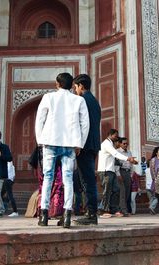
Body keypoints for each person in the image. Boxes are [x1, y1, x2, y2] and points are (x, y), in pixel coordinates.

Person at [35, 72, 90, 228]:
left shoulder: (48, 97)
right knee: (67, 179)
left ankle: (44, 214)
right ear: (72, 84)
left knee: (48, 178)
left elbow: (40, 119)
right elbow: (85, 124)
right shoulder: (78, 100)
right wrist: (80, 144)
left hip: (50, 142)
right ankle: (67, 214)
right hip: (69, 143)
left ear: (57, 84)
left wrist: (40, 140)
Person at [72, 74, 102, 225]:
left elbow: (82, 124)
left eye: (75, 87)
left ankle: (91, 214)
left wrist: (78, 144)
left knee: (88, 181)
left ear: (81, 86)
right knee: (88, 180)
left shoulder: (82, 100)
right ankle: (90, 212)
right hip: (93, 144)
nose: (74, 90)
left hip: (84, 145)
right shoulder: (94, 101)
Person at [98, 129, 137, 218]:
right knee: (107, 191)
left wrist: (131, 162)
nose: (116, 138)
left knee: (116, 189)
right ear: (110, 135)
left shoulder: (111, 144)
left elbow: (115, 161)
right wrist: (128, 159)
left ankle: (113, 209)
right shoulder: (106, 144)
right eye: (115, 136)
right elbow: (115, 154)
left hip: (111, 171)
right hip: (105, 170)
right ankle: (103, 210)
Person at [117, 137, 133, 216]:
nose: (126, 145)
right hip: (121, 171)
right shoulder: (117, 152)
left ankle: (122, 208)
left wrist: (131, 174)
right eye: (124, 143)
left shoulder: (129, 152)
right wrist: (118, 174)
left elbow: (131, 164)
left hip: (128, 172)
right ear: (120, 144)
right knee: (122, 192)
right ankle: (123, 210)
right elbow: (116, 164)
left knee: (127, 192)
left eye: (127, 144)